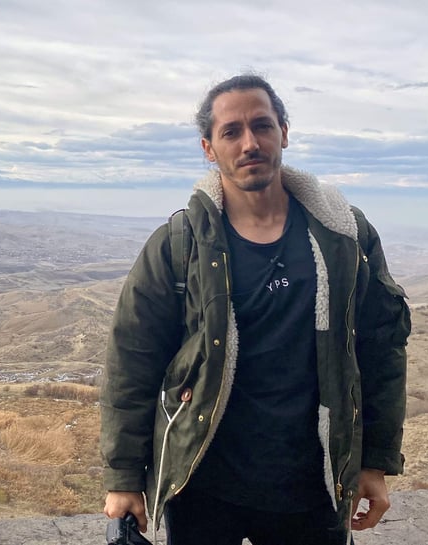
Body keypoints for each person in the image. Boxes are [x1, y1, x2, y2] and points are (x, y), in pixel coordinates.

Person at [100, 74, 411, 545]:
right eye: (231, 132)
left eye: (262, 125)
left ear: (283, 133)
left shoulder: (345, 236)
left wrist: (375, 462)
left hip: (312, 486)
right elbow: (133, 357)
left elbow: (381, 347)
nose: (250, 142)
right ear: (209, 148)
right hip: (203, 483)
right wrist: (124, 476)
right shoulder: (180, 244)